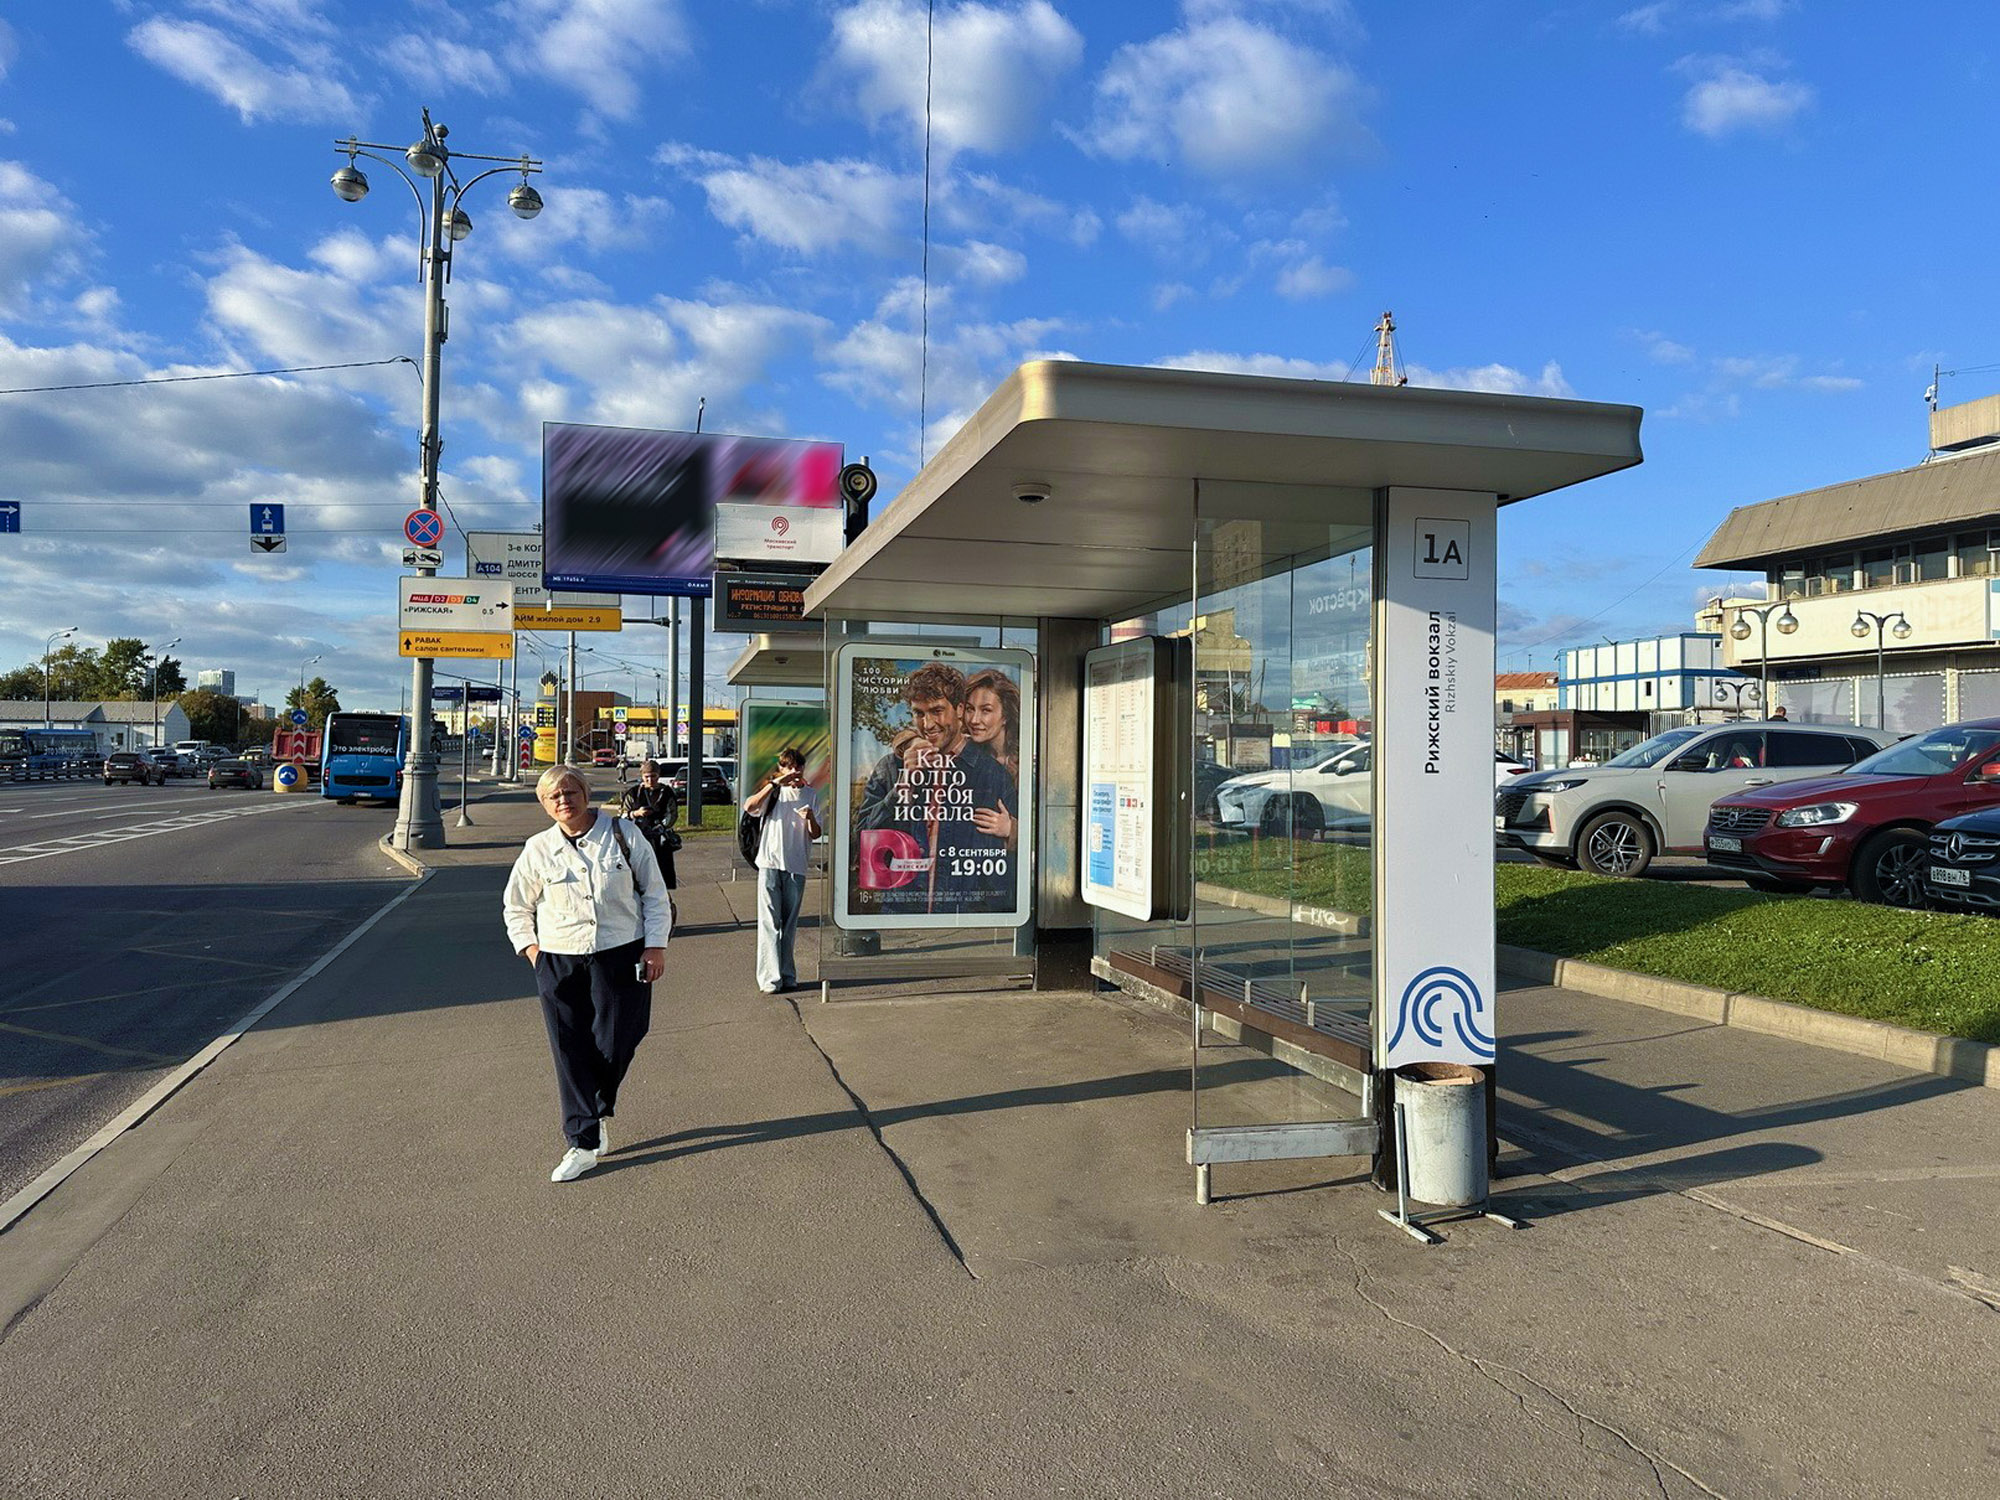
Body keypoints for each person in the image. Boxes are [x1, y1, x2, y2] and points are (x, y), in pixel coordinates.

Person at [503, 765, 670, 1183]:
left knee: (619, 1039)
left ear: (586, 794)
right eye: (554, 796)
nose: (564, 800)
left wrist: (655, 945)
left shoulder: (623, 835)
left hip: (620, 952)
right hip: (559, 959)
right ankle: (582, 1140)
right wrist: (533, 951)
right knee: (569, 1049)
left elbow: (654, 892)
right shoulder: (538, 848)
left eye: (570, 792)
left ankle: (595, 1108)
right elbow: (516, 906)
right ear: (545, 805)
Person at [854, 662, 1016, 914]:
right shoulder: (891, 767)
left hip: (967, 920)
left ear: (959, 710)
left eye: (937, 711)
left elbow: (1006, 864)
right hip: (900, 915)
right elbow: (863, 838)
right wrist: (903, 786)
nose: (927, 724)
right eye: (919, 713)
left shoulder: (992, 774)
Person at [743, 746, 821, 994]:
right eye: (789, 767)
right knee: (769, 922)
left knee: (789, 924)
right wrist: (774, 783)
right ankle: (770, 979)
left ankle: (787, 975)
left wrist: (810, 818)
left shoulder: (811, 794)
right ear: (781, 769)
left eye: (798, 767)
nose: (794, 771)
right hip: (769, 862)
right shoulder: (774, 792)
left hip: (796, 865)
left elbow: (816, 833)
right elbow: (749, 806)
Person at [961, 667, 1020, 844]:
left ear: (1005, 716)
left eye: (985, 710)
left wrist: (1011, 829)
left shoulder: (1025, 760)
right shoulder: (966, 752)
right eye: (970, 709)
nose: (974, 720)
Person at [620, 758, 680, 894]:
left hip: (660, 840)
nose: (650, 780)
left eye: (653, 776)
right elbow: (623, 814)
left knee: (661, 872)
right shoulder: (633, 793)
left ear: (658, 776)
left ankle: (664, 899)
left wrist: (662, 827)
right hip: (637, 837)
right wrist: (636, 813)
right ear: (642, 776)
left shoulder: (666, 792)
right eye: (646, 777)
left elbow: (672, 814)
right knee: (638, 871)